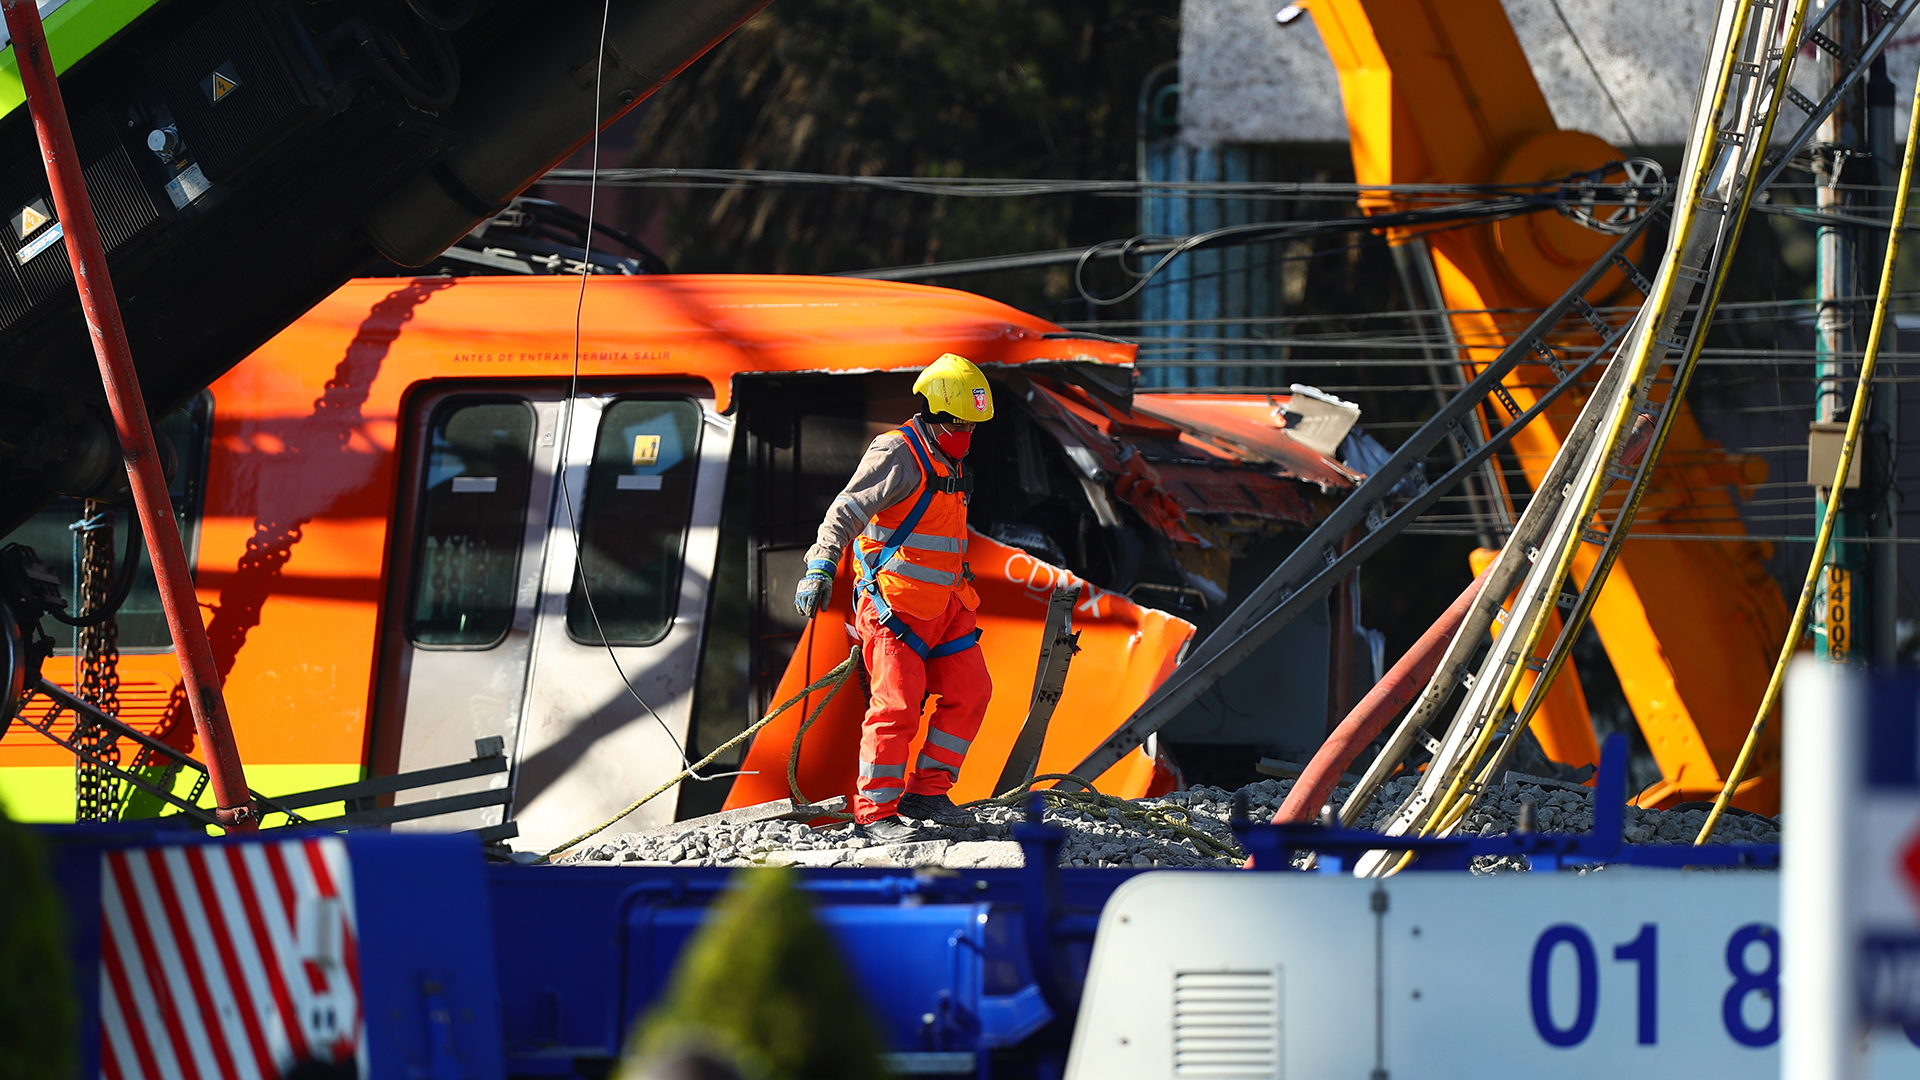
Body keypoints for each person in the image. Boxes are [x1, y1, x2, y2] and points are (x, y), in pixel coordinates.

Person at [793, 353, 995, 842]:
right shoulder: (897, 453)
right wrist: (820, 564)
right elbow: (846, 510)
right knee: (896, 707)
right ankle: (876, 811)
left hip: (946, 605)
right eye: (958, 422)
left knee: (971, 692)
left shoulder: (949, 456)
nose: (966, 432)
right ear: (933, 412)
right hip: (896, 609)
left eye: (972, 424)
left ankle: (927, 793)